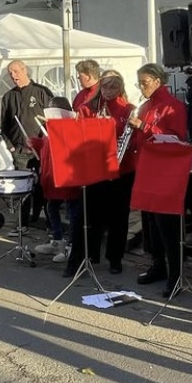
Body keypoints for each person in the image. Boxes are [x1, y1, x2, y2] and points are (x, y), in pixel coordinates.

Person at [129, 63, 188, 294]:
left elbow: (176, 139)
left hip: (165, 173)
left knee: (167, 226)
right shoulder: (145, 106)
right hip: (147, 170)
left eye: (144, 82)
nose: (142, 87)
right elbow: (141, 139)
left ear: (157, 81)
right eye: (139, 83)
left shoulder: (174, 106)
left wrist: (145, 127)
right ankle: (158, 265)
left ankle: (176, 274)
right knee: (151, 224)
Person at [75, 70, 137, 275]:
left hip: (122, 170)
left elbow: (133, 139)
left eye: (114, 86)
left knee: (119, 216)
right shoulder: (88, 108)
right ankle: (91, 254)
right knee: (93, 215)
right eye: (106, 86)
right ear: (100, 87)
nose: (109, 90)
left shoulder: (128, 109)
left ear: (121, 87)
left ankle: (115, 258)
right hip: (95, 169)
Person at [0, 60, 54, 236]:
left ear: (24, 70)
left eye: (16, 71)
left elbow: (52, 120)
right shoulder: (8, 97)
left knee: (44, 188)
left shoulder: (41, 92)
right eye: (10, 73)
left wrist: (46, 144)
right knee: (23, 188)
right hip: (20, 151)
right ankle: (22, 224)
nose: (13, 75)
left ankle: (50, 225)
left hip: (42, 150)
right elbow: (4, 126)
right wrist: (11, 147)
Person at [30, 97, 82, 262]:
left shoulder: (72, 128)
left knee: (72, 212)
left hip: (67, 177)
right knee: (51, 207)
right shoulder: (50, 128)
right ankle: (57, 241)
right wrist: (37, 144)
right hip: (50, 176)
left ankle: (72, 246)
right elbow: (46, 147)